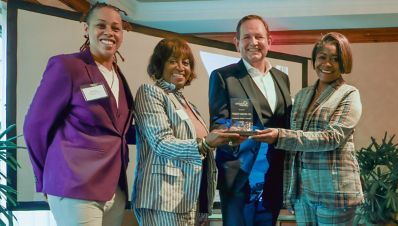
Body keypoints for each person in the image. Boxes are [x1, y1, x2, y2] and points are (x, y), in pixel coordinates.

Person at [23, 3, 134, 226]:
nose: (109, 33)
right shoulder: (68, 66)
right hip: (74, 185)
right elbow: (35, 127)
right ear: (86, 29)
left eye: (116, 28)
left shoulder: (119, 76)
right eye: (100, 25)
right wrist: (44, 178)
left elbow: (119, 131)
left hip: (115, 189)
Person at [251, 32, 363, 225]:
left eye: (335, 59)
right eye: (322, 57)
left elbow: (332, 138)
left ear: (344, 62)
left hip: (334, 194)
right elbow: (294, 149)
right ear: (314, 59)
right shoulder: (302, 95)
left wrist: (280, 136)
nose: (327, 64)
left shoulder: (349, 94)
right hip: (303, 193)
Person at [132, 38, 244, 226]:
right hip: (164, 200)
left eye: (186, 63)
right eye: (172, 61)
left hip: (192, 200)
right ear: (160, 64)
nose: (181, 67)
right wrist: (206, 143)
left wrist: (225, 139)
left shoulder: (189, 105)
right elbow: (161, 143)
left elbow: (202, 151)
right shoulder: (150, 93)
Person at [209, 15, 292, 226]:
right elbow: (219, 122)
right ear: (237, 43)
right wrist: (235, 134)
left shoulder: (282, 79)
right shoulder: (223, 77)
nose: (253, 42)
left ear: (269, 41)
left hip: (273, 178)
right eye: (246, 37)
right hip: (239, 178)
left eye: (258, 36)